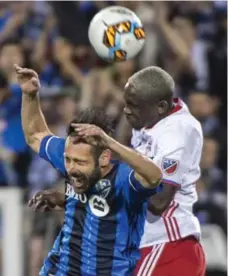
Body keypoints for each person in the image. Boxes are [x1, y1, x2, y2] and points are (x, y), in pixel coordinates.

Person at [15, 64, 163, 276]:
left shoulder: (124, 181)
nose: (72, 168)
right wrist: (30, 95)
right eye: (68, 160)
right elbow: (36, 135)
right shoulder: (73, 152)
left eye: (80, 163)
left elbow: (155, 176)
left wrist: (109, 142)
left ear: (104, 157)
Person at [121, 67, 206, 276]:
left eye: (134, 106)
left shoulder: (177, 132)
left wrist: (117, 179)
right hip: (153, 246)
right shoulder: (149, 122)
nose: (126, 110)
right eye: (126, 103)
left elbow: (159, 200)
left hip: (168, 246)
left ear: (160, 106)